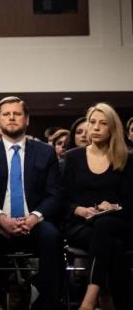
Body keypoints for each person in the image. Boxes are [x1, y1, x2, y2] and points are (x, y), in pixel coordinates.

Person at [0, 96, 63, 310]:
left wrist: (33, 218)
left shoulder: (45, 152)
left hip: (34, 223)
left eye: (17, 113)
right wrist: (2, 219)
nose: (11, 117)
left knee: (53, 237)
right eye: (6, 114)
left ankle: (47, 303)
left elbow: (54, 194)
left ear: (27, 119)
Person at [62, 103, 133, 310]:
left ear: (113, 128)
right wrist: (79, 210)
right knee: (113, 245)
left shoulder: (127, 159)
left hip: (119, 223)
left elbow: (130, 203)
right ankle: (113, 299)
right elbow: (62, 198)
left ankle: (89, 298)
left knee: (105, 225)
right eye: (92, 122)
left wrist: (113, 206)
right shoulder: (73, 158)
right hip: (81, 224)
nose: (95, 128)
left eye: (103, 124)